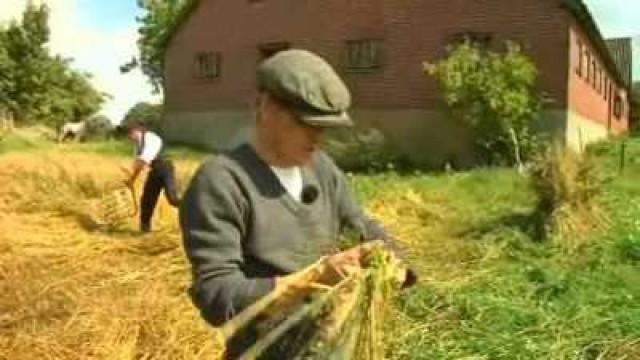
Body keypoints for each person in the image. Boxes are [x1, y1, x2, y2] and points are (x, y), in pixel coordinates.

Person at [179, 49, 415, 359]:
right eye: (307, 123)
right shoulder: (222, 181)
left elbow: (360, 224)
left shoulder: (322, 168)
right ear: (263, 106)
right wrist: (315, 279)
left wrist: (394, 261)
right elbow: (217, 295)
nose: (319, 138)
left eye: (325, 127)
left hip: (331, 344)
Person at [124, 123, 180, 232]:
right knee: (146, 200)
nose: (130, 138)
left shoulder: (151, 138)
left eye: (130, 135)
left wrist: (132, 179)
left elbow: (142, 162)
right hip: (154, 170)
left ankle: (192, 207)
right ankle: (145, 229)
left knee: (172, 198)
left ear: (135, 131)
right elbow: (137, 163)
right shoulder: (138, 145)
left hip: (165, 168)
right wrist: (131, 180)